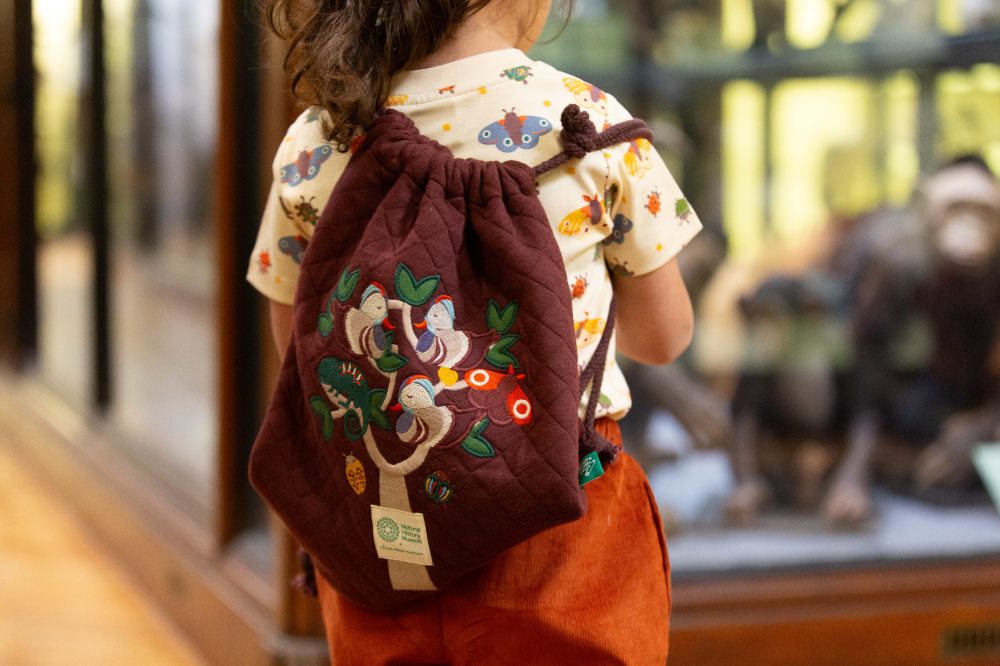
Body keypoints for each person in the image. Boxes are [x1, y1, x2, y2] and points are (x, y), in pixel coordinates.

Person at [247, 1, 701, 663]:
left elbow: (294, 337)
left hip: (373, 508)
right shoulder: (586, 123)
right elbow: (663, 338)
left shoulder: (317, 136)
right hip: (560, 512)